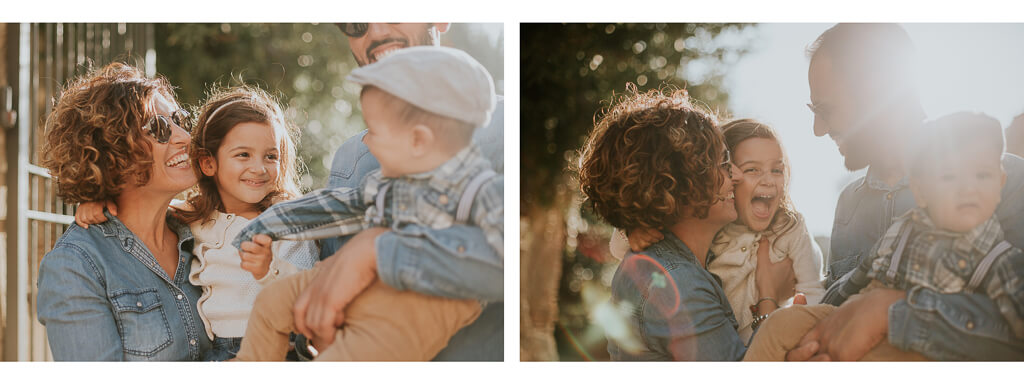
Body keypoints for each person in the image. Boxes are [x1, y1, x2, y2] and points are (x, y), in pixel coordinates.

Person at [231, 46, 502, 361]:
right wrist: (266, 225)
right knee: (270, 304)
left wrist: (382, 250)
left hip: (411, 314)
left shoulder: (483, 192)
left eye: (374, 131)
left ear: (419, 140)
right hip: (362, 284)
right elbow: (335, 206)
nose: (366, 141)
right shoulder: (390, 185)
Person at [791, 23, 1024, 361]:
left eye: (825, 110)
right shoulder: (849, 205)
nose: (818, 130)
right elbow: (840, 307)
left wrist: (894, 311)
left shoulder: (1011, 181)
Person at [747, 112, 1024, 361]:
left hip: (916, 339)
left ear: (1000, 182)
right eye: (950, 177)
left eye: (982, 176)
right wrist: (824, 309)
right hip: (852, 310)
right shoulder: (904, 226)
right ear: (922, 190)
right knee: (782, 324)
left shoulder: (1000, 259)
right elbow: (859, 275)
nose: (968, 189)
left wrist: (901, 313)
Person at [74, 85, 318, 361]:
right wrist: (99, 198)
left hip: (280, 346)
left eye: (271, 156)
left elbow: (311, 292)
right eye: (243, 155)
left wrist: (269, 270)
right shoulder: (196, 217)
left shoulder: (287, 222)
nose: (260, 168)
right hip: (221, 351)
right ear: (208, 164)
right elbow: (143, 208)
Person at [310, 22, 504, 361]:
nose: (377, 31)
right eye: (355, 22)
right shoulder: (349, 160)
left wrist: (378, 250)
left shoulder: (506, 126)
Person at [578, 87, 796, 360]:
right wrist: (769, 299)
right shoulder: (675, 282)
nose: (737, 176)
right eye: (723, 164)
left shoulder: (669, 264)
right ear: (681, 183)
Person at [35, 63, 210, 360]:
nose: (184, 137)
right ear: (114, 150)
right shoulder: (75, 266)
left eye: (181, 121)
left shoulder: (207, 232)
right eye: (159, 128)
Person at [613, 119, 825, 345]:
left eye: (777, 170)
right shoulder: (711, 221)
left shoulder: (789, 228)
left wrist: (802, 325)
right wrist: (635, 229)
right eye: (752, 169)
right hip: (718, 342)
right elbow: (620, 248)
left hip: (767, 341)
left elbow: (813, 289)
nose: (768, 181)